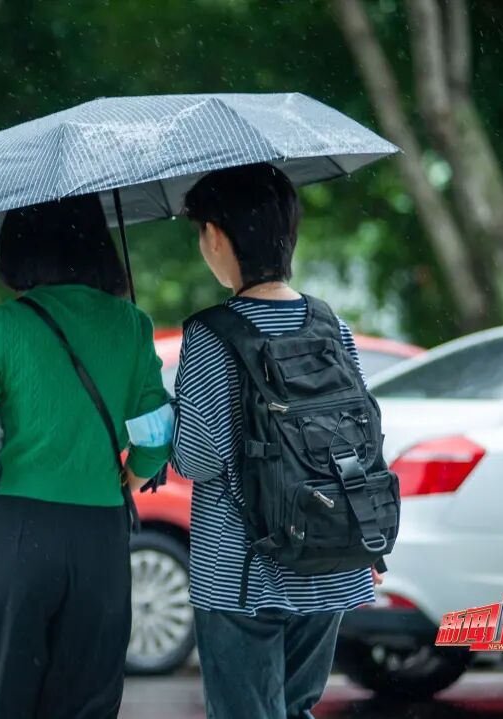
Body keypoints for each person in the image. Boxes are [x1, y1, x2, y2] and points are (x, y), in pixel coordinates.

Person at [0, 194, 172, 719]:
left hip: (19, 536)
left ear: (18, 246)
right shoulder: (132, 325)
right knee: (88, 699)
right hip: (102, 537)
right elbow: (157, 435)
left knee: (5, 697)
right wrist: (126, 477)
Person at [172, 163, 383, 719]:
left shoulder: (211, 333)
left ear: (216, 236)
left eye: (201, 233)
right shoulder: (328, 323)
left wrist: (171, 420)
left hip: (242, 571)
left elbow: (196, 457)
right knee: (296, 708)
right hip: (331, 558)